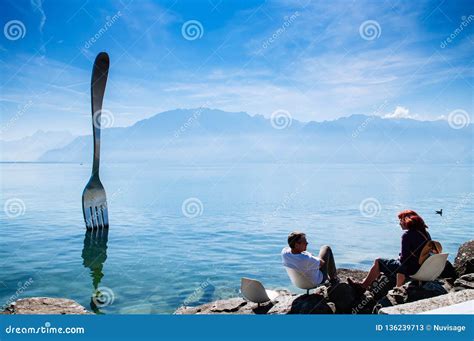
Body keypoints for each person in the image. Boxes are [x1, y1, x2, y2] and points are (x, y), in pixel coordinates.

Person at [348, 210, 431, 293]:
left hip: (411, 269)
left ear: (407, 221)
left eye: (401, 221)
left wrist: (399, 257)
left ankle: (363, 286)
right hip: (421, 267)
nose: (399, 223)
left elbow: (403, 260)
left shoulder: (407, 235)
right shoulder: (425, 233)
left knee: (378, 262)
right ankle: (398, 287)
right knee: (397, 263)